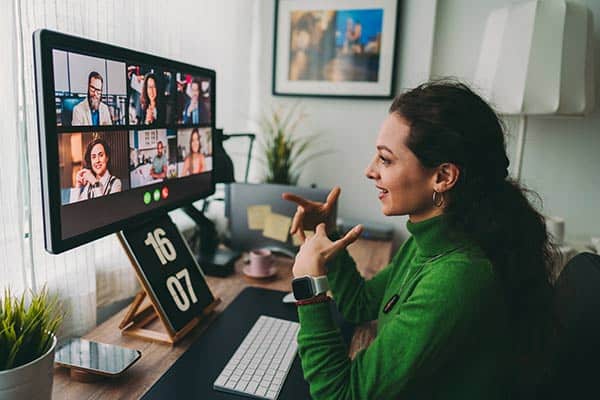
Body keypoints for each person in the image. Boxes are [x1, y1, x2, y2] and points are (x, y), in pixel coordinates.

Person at [283, 80, 555, 399]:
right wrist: (327, 235)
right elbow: (361, 305)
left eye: (385, 159)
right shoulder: (432, 239)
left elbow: (340, 395)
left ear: (443, 177)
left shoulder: (457, 278)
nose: (370, 171)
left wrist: (308, 287)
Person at [70, 138, 121, 202]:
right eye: (93, 157)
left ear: (107, 158)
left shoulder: (115, 183)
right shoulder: (89, 185)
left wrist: (95, 183)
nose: (97, 160)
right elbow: (74, 209)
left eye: (101, 155)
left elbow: (105, 208)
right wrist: (78, 185)